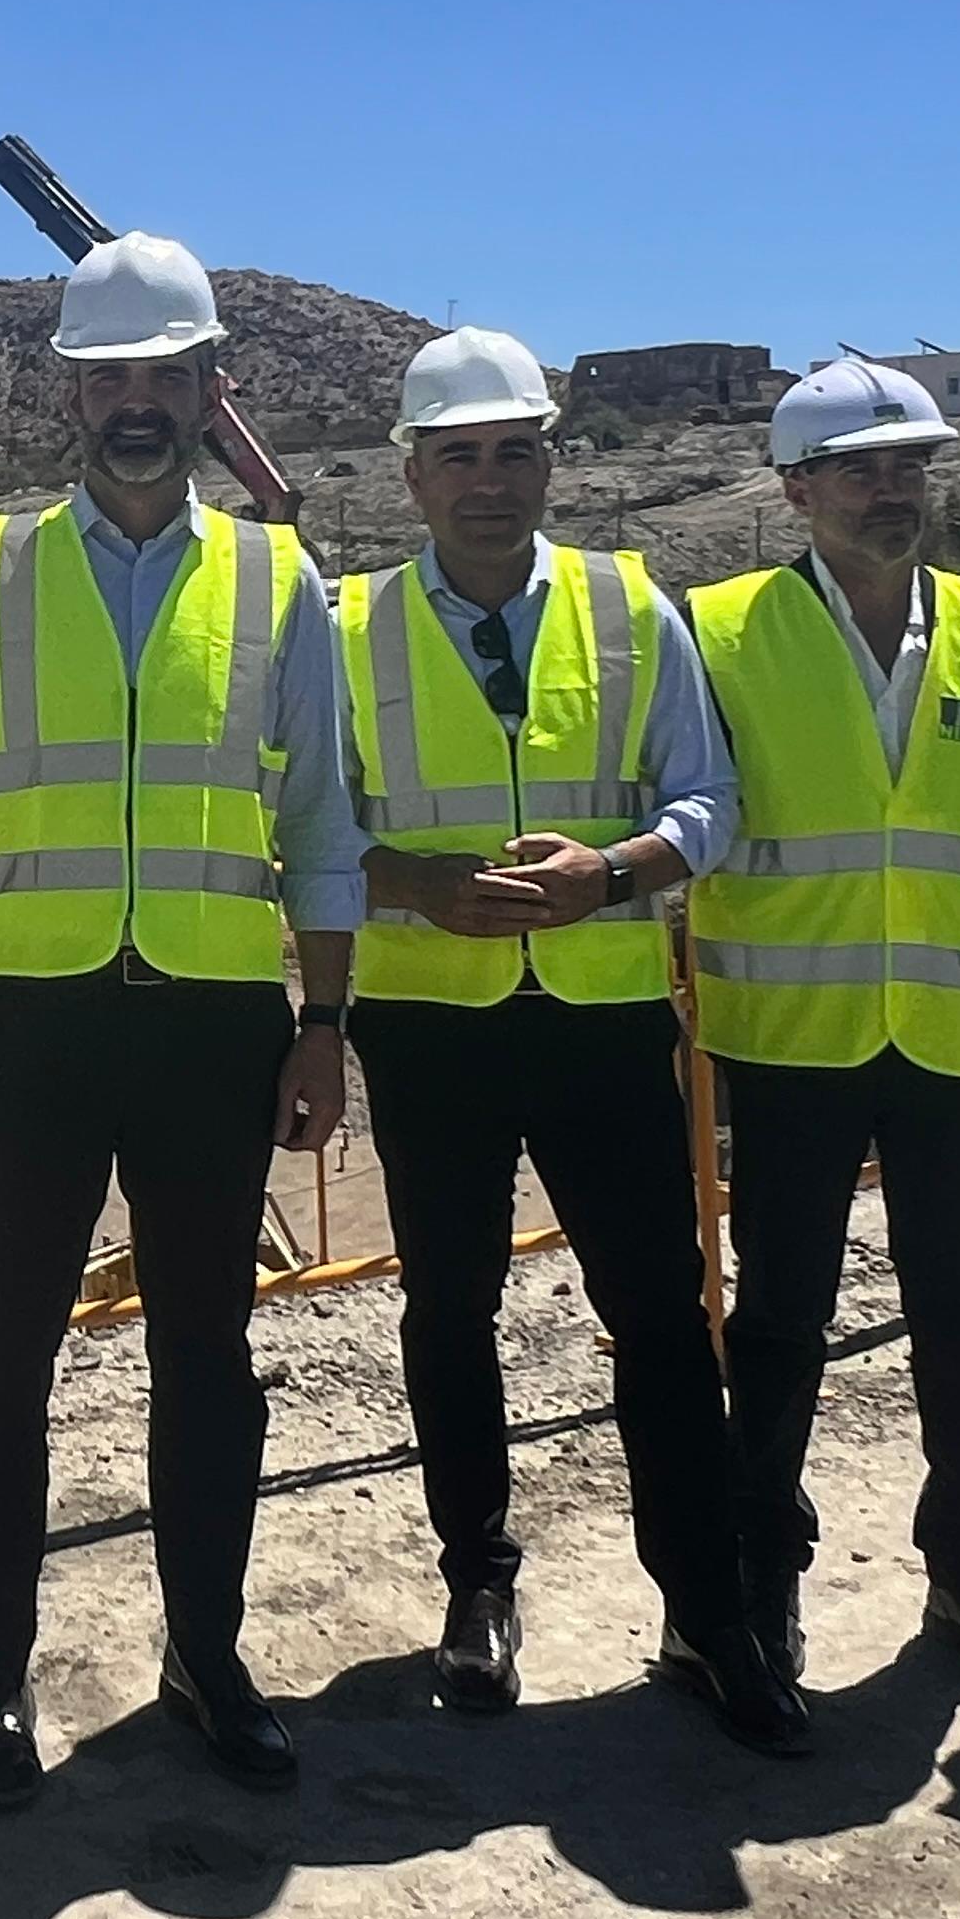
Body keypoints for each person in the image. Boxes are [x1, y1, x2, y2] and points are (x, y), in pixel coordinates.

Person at [0, 232, 360, 1809]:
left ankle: (205, 1656)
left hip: (217, 1024)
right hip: (27, 1019)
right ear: (72, 399)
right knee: (2, 1363)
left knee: (208, 1362)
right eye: (112, 380)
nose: (139, 404)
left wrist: (323, 1021)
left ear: (216, 390)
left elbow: (326, 825)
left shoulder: (275, 578)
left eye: (168, 375)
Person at [336, 327, 808, 1756]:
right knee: (450, 1313)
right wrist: (414, 882)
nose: (491, 482)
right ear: (412, 475)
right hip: (430, 1023)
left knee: (662, 1317)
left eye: (516, 452)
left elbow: (709, 801)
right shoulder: (344, 629)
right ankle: (477, 1587)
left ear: (553, 460)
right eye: (461, 457)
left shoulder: (630, 607)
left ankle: (709, 1614)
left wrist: (613, 871)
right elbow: (302, 823)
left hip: (602, 1017)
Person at [685, 361, 960, 1720]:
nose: (891, 489)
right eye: (858, 468)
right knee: (782, 1324)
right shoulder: (722, 632)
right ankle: (757, 1580)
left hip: (957, 1037)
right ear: (794, 489)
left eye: (909, 466)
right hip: (792, 1033)